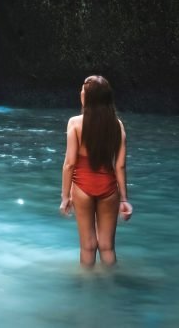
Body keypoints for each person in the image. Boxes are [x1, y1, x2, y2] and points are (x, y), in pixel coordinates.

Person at [60, 75, 133, 267]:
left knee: (87, 247)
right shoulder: (117, 125)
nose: (80, 92)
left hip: (82, 188)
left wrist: (65, 197)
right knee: (107, 247)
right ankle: (110, 289)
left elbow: (69, 163)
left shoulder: (75, 123)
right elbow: (120, 166)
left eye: (83, 90)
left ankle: (87, 290)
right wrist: (124, 199)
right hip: (109, 188)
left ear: (89, 97)